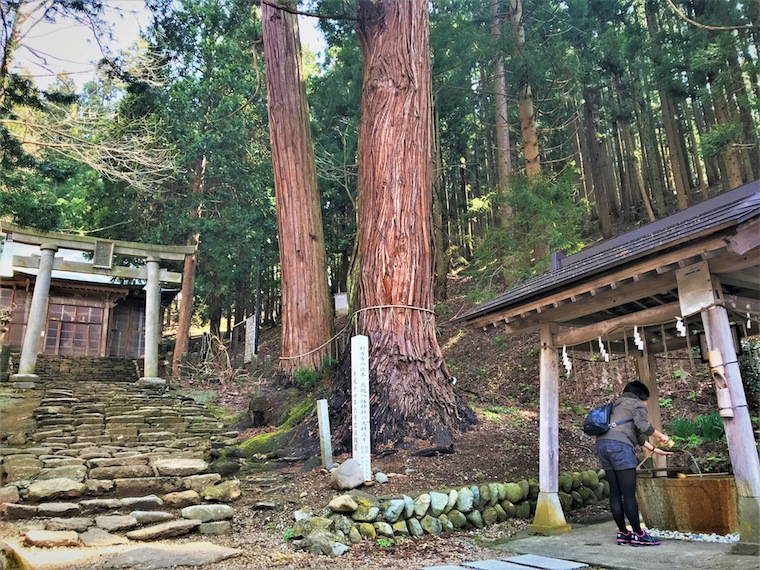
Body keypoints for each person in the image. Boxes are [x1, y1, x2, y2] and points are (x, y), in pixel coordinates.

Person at [595, 380, 673, 546]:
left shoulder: (617, 404)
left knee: (615, 492)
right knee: (629, 493)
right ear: (642, 395)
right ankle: (639, 534)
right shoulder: (637, 404)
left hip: (602, 446)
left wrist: (654, 448)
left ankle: (623, 533)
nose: (646, 403)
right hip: (620, 448)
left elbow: (635, 434)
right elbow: (643, 426)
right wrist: (661, 436)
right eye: (646, 399)